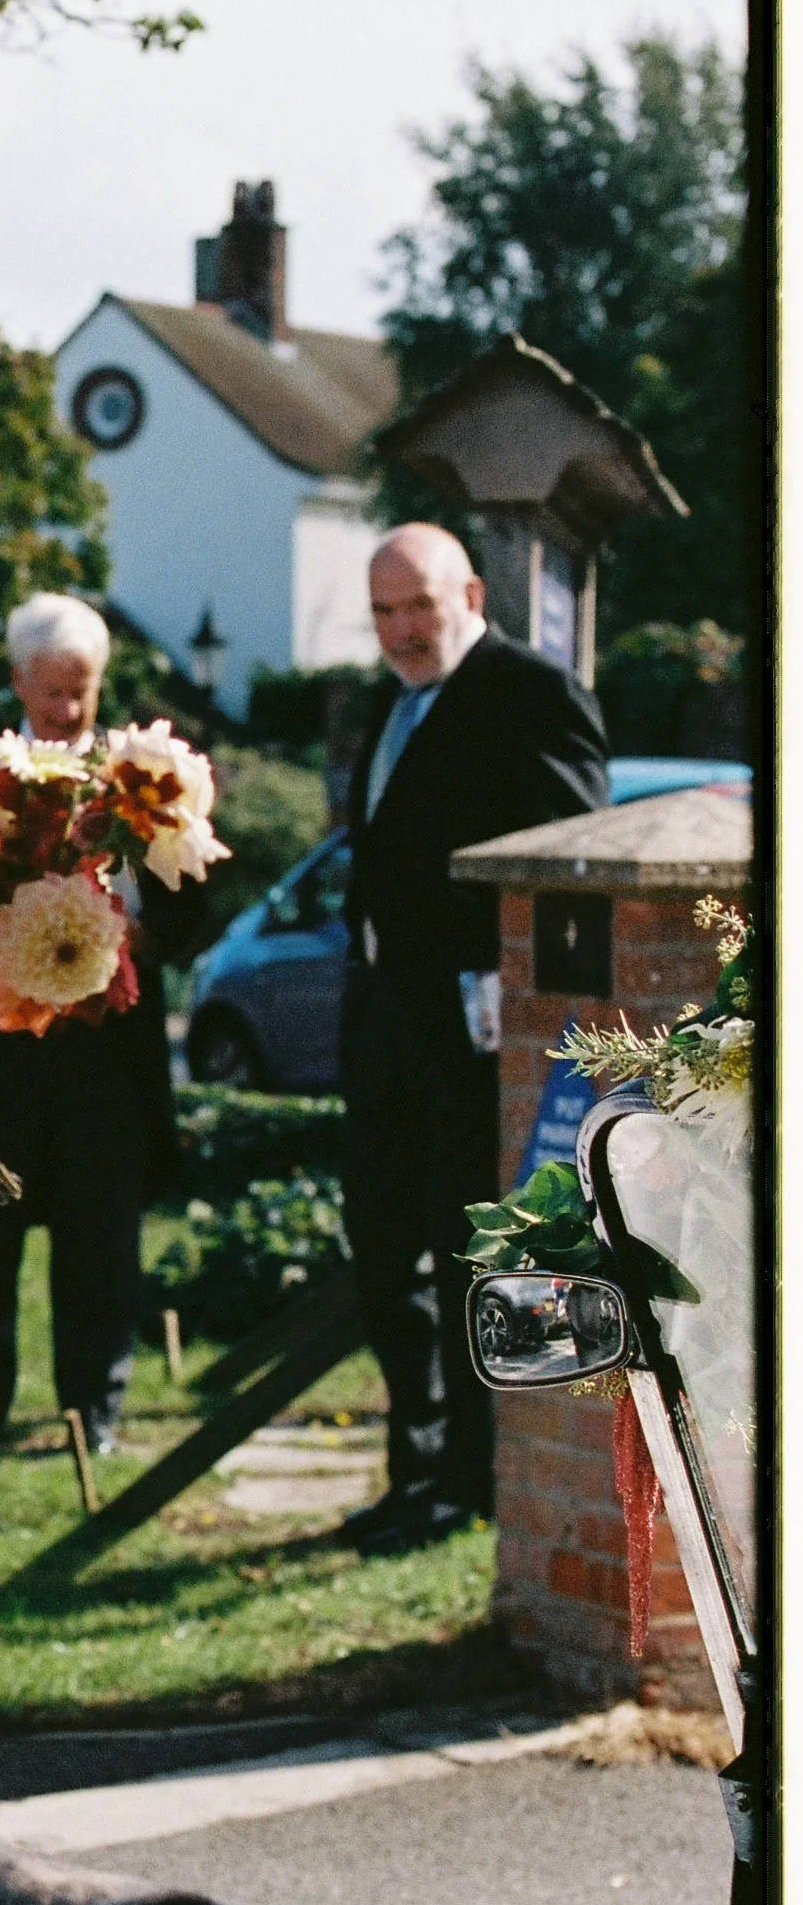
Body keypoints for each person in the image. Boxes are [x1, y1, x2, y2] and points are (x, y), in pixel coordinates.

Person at [336, 523, 609, 1550]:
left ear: (471, 593)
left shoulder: (527, 694)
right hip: (379, 1020)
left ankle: (471, 1478)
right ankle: (415, 1465)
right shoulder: (389, 702)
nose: (402, 630)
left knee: (468, 1258)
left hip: (474, 1036)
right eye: (382, 612)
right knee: (378, 1246)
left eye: (419, 605)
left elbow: (568, 855)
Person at [0, 593, 186, 1456]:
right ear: (18, 681)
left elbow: (189, 909)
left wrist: (142, 924)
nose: (66, 710)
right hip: (3, 1050)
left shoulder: (141, 784)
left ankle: (97, 1405)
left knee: (99, 1238)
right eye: (51, 692)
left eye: (81, 693)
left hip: (105, 1054)